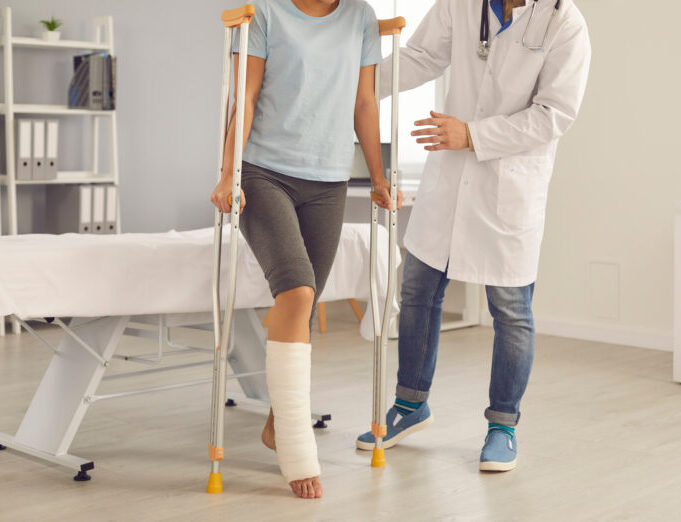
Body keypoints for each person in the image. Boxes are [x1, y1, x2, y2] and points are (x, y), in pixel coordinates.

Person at [357, 0, 591, 471]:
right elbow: (421, 57)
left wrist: (474, 135)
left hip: (508, 180)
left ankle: (503, 424)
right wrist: (358, 86)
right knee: (419, 290)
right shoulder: (461, 5)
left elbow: (554, 115)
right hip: (449, 182)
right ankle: (409, 405)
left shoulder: (564, 22)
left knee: (511, 310)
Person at [210, 0, 398, 499]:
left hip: (330, 180)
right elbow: (244, 97)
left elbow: (364, 103)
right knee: (296, 292)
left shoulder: (360, 17)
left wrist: (378, 177)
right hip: (264, 172)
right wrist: (228, 171)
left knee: (306, 300)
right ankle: (296, 450)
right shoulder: (267, 12)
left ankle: (278, 423)